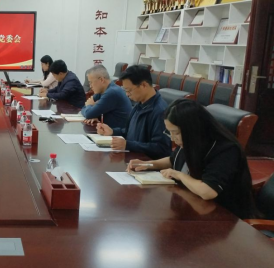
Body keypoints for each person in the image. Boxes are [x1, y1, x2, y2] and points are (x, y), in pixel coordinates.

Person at [128, 99, 261, 220]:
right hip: (194, 205)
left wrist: (179, 175)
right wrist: (147, 164)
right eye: (170, 132)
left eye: (176, 132)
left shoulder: (226, 150)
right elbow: (173, 160)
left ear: (192, 128)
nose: (173, 138)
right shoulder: (193, 140)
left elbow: (207, 192)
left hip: (223, 216)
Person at [97, 65, 171, 159]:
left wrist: (128, 145)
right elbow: (129, 132)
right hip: (132, 159)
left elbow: (161, 149)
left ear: (143, 85)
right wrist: (112, 131)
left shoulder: (160, 111)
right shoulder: (139, 105)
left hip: (146, 163)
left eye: (129, 90)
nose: (127, 94)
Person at [81, 65, 132, 130]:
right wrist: (93, 114)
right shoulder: (102, 90)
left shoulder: (112, 92)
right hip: (107, 130)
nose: (90, 86)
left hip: (118, 133)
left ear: (101, 80)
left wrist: (90, 107)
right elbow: (84, 108)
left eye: (91, 82)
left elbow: (88, 113)